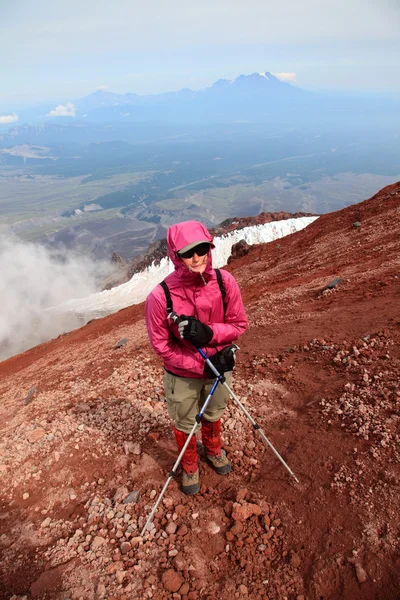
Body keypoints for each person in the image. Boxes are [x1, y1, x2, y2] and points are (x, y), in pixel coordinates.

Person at [145, 220, 248, 495]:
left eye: (202, 249)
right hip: (184, 375)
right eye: (188, 252)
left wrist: (208, 334)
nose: (197, 257)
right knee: (185, 421)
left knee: (214, 413)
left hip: (219, 367)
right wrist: (201, 364)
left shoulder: (225, 282)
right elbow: (162, 346)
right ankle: (190, 465)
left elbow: (238, 325)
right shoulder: (159, 297)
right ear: (175, 256)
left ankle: (213, 449)